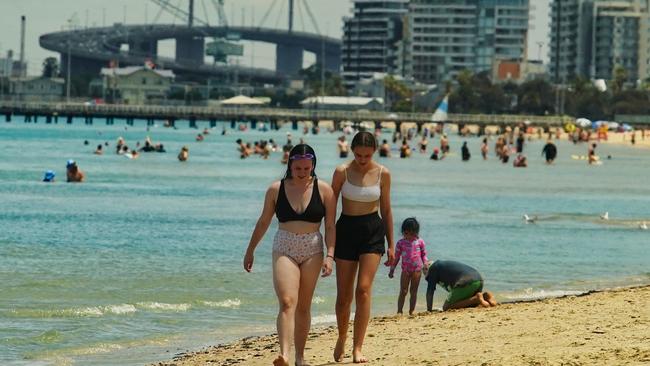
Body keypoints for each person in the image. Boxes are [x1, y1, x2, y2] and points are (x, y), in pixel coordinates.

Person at [243, 144, 336, 366]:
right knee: (286, 301)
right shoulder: (276, 189)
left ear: (313, 165)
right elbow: (264, 221)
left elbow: (330, 226)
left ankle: (300, 357)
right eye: (298, 169)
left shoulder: (325, 190)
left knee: (303, 305)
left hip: (313, 247)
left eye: (307, 168)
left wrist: (330, 255)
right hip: (284, 245)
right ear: (290, 166)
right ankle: (284, 354)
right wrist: (250, 250)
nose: (303, 173)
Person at [331, 131, 395, 363]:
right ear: (352, 151)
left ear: (374, 152)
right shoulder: (341, 172)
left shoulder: (383, 174)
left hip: (372, 231)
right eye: (358, 155)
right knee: (343, 297)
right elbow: (330, 207)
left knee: (363, 290)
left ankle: (358, 347)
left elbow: (386, 210)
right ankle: (341, 336)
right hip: (346, 229)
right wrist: (329, 241)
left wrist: (391, 244)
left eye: (367, 155)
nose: (362, 159)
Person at [388, 218, 428, 315]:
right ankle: (399, 311)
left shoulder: (420, 242)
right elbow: (397, 257)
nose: (409, 236)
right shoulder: (400, 243)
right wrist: (392, 269)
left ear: (416, 232)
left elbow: (423, 255)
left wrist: (426, 264)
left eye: (412, 234)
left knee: (413, 291)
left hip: (417, 270)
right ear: (403, 232)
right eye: (406, 233)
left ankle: (412, 311)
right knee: (403, 291)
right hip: (405, 270)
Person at [425, 260, 497, 311]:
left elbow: (430, 292)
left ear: (427, 268)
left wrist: (429, 310)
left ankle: (476, 299)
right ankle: (485, 296)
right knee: (465, 303)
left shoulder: (433, 268)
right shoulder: (442, 266)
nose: (429, 280)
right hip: (479, 280)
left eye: (428, 278)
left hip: (466, 281)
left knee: (446, 307)